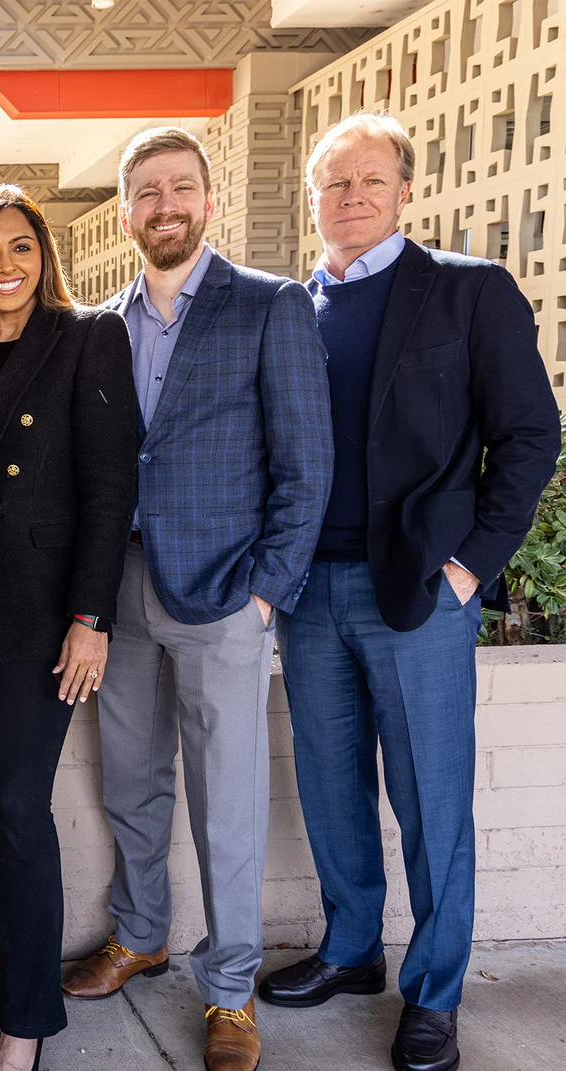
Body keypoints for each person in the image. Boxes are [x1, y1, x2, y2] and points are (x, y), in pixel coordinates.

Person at [258, 112, 561, 1071]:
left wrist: (469, 566)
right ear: (313, 198)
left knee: (432, 800)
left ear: (403, 191)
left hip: (423, 591)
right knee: (332, 788)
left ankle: (434, 992)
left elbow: (529, 437)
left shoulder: (469, 292)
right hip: (309, 590)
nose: (352, 198)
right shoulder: (288, 307)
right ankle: (352, 951)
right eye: (335, 184)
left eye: (371, 181)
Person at [64, 127, 334, 1071]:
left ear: (207, 202)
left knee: (227, 801)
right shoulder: (102, 325)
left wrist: (266, 595)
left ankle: (230, 991)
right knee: (132, 781)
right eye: (147, 192)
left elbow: (307, 466)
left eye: (180, 188)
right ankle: (141, 933)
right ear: (129, 210)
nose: (164, 205)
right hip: (121, 588)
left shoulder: (270, 305)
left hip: (224, 594)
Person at [0, 185, 138, 1071]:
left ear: (44, 255)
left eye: (20, 247)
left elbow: (110, 489)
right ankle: (16, 961)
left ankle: (29, 1021)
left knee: (18, 806)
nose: (4, 266)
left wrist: (91, 618)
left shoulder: (89, 336)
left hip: (45, 617)